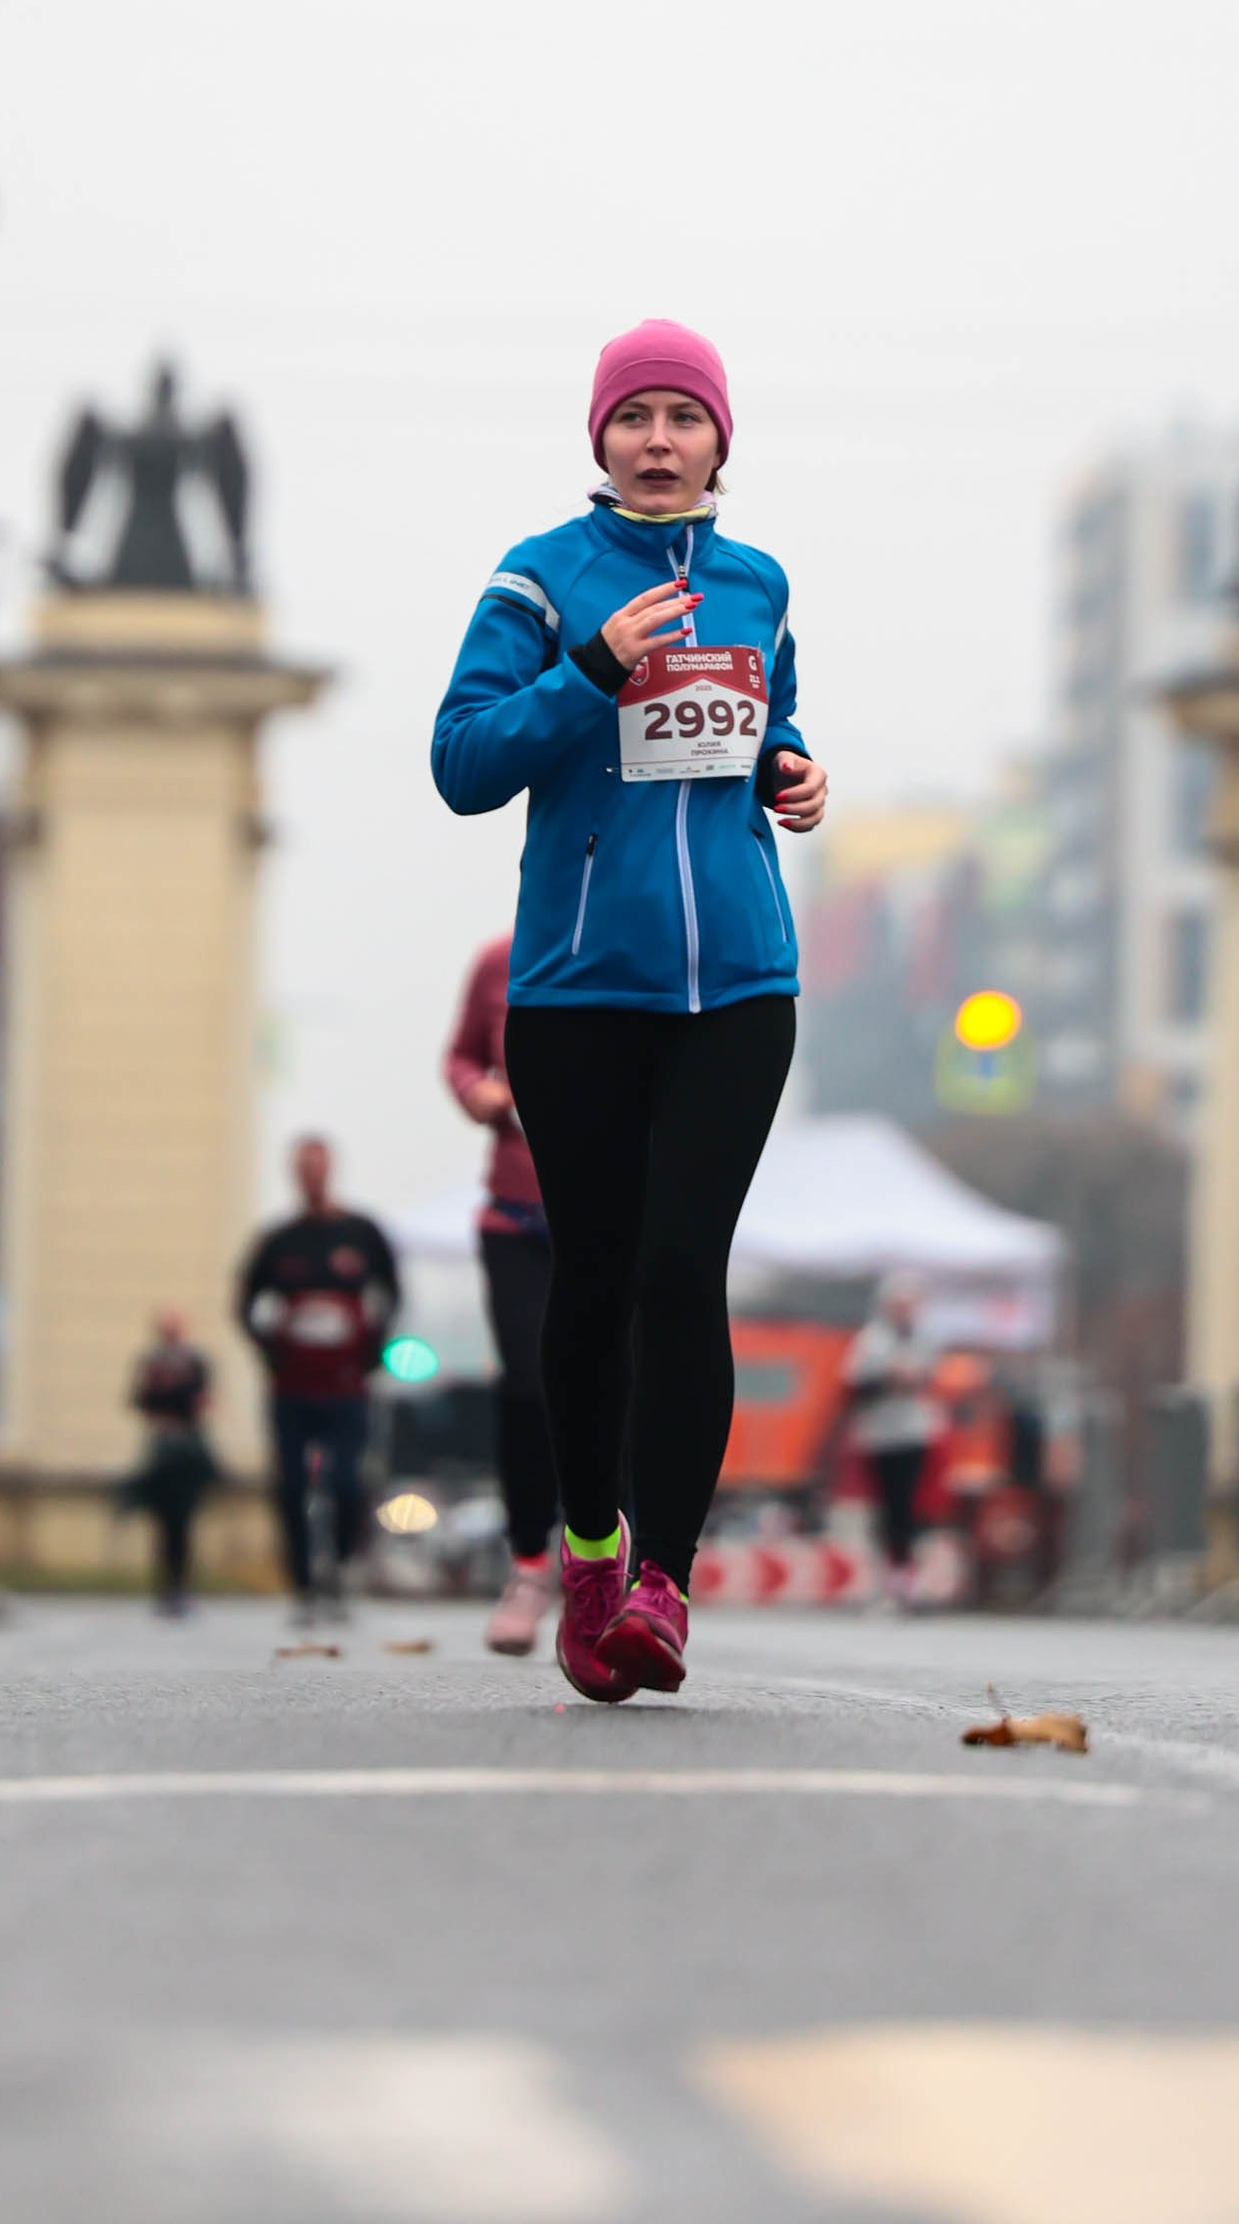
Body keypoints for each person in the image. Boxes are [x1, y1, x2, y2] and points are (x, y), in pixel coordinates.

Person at [431, 318, 828, 1703]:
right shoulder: (540, 579)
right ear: (598, 438)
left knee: (680, 1270)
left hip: (739, 986)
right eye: (635, 418)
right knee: (593, 1280)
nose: (660, 441)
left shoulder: (760, 583)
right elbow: (465, 764)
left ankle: (662, 1581)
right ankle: (587, 1551)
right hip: (580, 989)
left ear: (723, 440)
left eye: (685, 418)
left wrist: (793, 773)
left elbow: (767, 726)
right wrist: (587, 669)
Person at [444, 932, 558, 1653]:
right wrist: (476, 1090)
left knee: (604, 1382)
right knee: (525, 1386)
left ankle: (604, 1564)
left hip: (604, 1210)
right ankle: (528, 1565)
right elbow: (459, 1055)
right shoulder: (497, 958)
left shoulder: (622, 940)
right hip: (514, 1213)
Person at [236, 1135, 401, 1623]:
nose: (311, 1175)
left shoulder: (361, 1233)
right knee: (290, 1483)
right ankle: (303, 1581)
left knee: (346, 1480)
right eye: (302, 1167)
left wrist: (371, 1351)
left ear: (330, 1170)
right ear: (294, 1174)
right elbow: (244, 1302)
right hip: (291, 1389)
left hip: (346, 1387)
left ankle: (343, 1565)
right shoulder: (279, 1241)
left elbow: (390, 1293)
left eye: (318, 1166)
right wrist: (269, 1350)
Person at [843, 1272, 937, 1608]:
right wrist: (888, 1377)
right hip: (880, 1436)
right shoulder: (872, 1340)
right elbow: (854, 1384)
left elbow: (931, 1377)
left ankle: (908, 1577)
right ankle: (884, 1576)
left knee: (909, 1506)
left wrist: (913, 1378)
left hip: (913, 1432)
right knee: (884, 1505)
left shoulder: (922, 1339)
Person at [122, 1310, 217, 1615]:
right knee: (164, 1523)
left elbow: (201, 1400)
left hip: (186, 1450)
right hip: (161, 1448)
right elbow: (141, 1399)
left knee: (183, 1522)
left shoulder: (194, 1362)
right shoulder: (152, 1363)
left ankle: (181, 1585)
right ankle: (166, 1586)